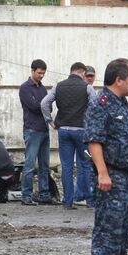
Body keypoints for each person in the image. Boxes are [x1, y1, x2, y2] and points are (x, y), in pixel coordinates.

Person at [84, 58, 128, 255]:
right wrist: (102, 173)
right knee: (107, 229)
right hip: (110, 175)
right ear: (118, 80)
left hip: (126, 175)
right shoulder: (101, 103)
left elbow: (127, 135)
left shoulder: (121, 102)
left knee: (121, 228)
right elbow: (94, 140)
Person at [40, 62, 97, 209]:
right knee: (85, 165)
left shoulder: (58, 86)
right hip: (82, 131)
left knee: (66, 167)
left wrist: (49, 121)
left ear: (71, 71)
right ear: (83, 73)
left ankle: (67, 202)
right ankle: (90, 201)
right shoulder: (87, 88)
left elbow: (44, 103)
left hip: (63, 130)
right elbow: (95, 107)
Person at [19, 59, 56, 206]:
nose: (41, 76)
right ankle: (26, 195)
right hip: (32, 129)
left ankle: (44, 194)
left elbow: (48, 107)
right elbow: (35, 107)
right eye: (39, 73)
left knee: (44, 165)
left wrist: (43, 106)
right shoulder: (25, 88)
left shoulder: (42, 89)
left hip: (43, 129)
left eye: (43, 73)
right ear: (32, 71)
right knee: (29, 165)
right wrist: (44, 106)